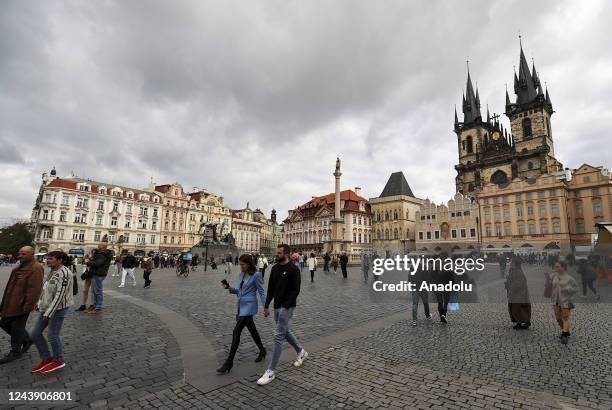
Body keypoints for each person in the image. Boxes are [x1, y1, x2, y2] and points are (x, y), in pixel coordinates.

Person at [257, 244, 307, 386]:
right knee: (284, 331)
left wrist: (286, 306)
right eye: (276, 253)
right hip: (277, 305)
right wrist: (266, 305)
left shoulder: (294, 269)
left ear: (287, 254)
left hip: (287, 306)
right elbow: (271, 288)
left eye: (279, 253)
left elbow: (295, 290)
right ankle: (301, 351)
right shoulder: (275, 268)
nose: (276, 255)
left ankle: (271, 371)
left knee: (278, 335)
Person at [217, 255, 266, 374]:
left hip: (249, 307)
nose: (241, 266)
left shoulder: (256, 275)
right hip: (241, 306)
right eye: (240, 264)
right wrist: (229, 288)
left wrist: (266, 306)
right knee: (252, 329)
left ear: (249, 264)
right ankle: (262, 350)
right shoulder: (241, 275)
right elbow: (240, 292)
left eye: (243, 264)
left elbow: (261, 291)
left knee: (236, 331)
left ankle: (229, 362)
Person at [28, 250, 73, 373]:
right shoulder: (52, 271)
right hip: (46, 307)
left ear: (60, 260)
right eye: (47, 258)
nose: (47, 260)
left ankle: (58, 360)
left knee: (53, 335)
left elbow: (60, 295)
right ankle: (47, 358)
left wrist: (49, 313)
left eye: (50, 258)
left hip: (58, 309)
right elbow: (46, 289)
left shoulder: (65, 273)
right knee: (34, 333)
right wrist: (39, 303)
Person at [0, 246, 43, 364]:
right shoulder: (19, 266)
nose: (20, 256)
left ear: (31, 254)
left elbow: (35, 290)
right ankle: (26, 339)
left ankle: (15, 351)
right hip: (10, 303)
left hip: (21, 305)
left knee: (17, 328)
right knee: (4, 323)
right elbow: (10, 286)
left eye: (24, 254)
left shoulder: (36, 268)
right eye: (20, 253)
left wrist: (28, 306)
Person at [547, 260, 578, 345]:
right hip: (556, 301)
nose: (555, 268)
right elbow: (550, 285)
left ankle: (564, 334)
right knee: (558, 318)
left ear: (563, 267)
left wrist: (568, 289)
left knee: (565, 317)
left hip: (566, 301)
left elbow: (576, 289)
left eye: (557, 266)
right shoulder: (554, 276)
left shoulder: (570, 278)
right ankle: (566, 330)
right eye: (555, 266)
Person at [505, 256, 531, 330]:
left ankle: (522, 322)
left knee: (518, 308)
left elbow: (518, 283)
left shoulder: (517, 271)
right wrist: (507, 283)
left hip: (519, 293)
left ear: (514, 263)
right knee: (516, 307)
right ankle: (520, 322)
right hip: (517, 293)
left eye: (511, 262)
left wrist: (511, 289)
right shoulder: (513, 270)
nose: (510, 263)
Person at [86, 243, 112, 315]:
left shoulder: (103, 254)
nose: (98, 245)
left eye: (99, 245)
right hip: (97, 273)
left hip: (99, 273)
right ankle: (95, 305)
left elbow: (98, 263)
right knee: (95, 291)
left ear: (103, 247)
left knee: (98, 291)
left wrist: (89, 263)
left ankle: (98, 307)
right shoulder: (100, 253)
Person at [432, 259, 454, 324]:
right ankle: (443, 315)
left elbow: (436, 280)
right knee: (445, 303)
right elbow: (453, 281)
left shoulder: (440, 271)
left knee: (440, 303)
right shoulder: (450, 271)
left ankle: (441, 317)